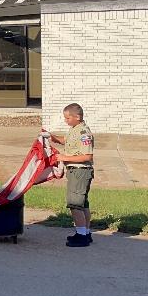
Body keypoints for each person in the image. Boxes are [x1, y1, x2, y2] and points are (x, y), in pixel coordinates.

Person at [49, 103, 95, 248]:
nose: (66, 120)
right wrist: (54, 138)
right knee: (82, 204)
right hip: (76, 171)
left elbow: (86, 156)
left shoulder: (84, 133)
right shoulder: (74, 129)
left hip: (80, 171)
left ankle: (81, 236)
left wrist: (63, 158)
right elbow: (68, 141)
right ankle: (85, 232)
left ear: (77, 117)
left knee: (75, 204)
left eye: (68, 118)